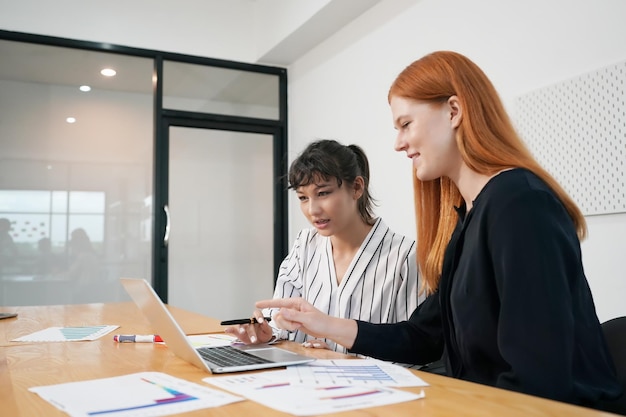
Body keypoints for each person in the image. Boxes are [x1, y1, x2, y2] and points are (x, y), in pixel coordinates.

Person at [254, 51, 621, 407]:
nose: (398, 143)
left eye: (405, 124)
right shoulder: (468, 219)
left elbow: (540, 378)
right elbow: (422, 337)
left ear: (454, 111)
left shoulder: (519, 203)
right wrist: (325, 324)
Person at [225, 139, 423, 353]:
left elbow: (416, 346)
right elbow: (280, 321)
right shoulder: (305, 246)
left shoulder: (406, 256)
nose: (313, 210)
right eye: (303, 197)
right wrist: (268, 332)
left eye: (323, 193)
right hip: (308, 379)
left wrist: (338, 358)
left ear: (356, 188)